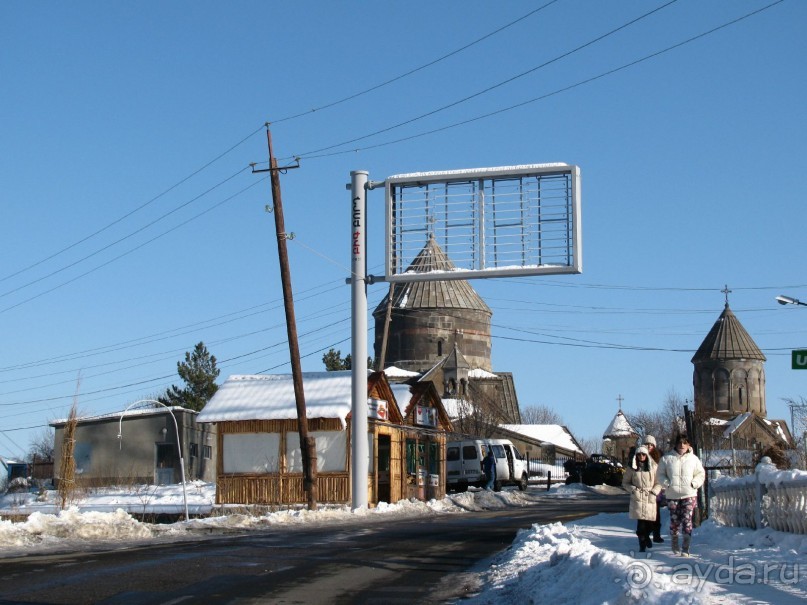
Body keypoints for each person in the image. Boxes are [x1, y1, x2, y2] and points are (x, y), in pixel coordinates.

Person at [655, 434, 705, 556]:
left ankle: (685, 548)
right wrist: (667, 484)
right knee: (675, 521)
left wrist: (694, 483)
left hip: (689, 494)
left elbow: (700, 474)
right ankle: (675, 542)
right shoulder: (667, 459)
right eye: (679, 443)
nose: (682, 445)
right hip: (672, 495)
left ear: (688, 445)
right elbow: (660, 474)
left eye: (684, 443)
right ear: (676, 444)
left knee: (687, 520)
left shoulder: (694, 459)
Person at [622, 445, 660, 552]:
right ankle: (642, 544)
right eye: (639, 454)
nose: (641, 456)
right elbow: (625, 483)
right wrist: (633, 490)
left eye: (643, 454)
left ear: (647, 455)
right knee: (641, 524)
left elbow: (659, 482)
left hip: (650, 497)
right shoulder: (632, 468)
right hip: (638, 497)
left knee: (650, 523)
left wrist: (654, 492)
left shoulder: (653, 467)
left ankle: (647, 537)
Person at [643, 435, 665, 543]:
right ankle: (646, 534)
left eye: (651, 444)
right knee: (645, 516)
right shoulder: (640, 455)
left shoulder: (658, 457)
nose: (649, 446)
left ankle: (657, 535)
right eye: (647, 444)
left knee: (656, 514)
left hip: (655, 489)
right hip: (643, 490)